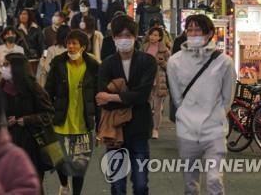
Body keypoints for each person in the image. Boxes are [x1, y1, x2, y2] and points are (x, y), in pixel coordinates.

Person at [167, 14, 235, 195]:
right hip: (187, 130)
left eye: (198, 30)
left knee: (214, 180)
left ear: (209, 33)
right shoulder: (174, 62)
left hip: (214, 130)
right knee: (190, 184)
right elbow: (176, 97)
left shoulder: (224, 62)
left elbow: (227, 98)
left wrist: (218, 115)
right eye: (190, 30)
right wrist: (185, 115)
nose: (193, 33)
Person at [97, 15, 157, 195]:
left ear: (135, 37)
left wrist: (113, 97)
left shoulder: (147, 61)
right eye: (120, 36)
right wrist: (126, 97)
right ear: (114, 38)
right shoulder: (107, 64)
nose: (124, 39)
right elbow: (100, 98)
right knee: (117, 184)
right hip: (114, 130)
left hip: (139, 127)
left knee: (140, 183)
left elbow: (143, 95)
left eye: (128, 35)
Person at [45, 30, 99, 195]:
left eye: (75, 43)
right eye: (69, 43)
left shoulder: (93, 67)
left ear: (83, 47)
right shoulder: (58, 64)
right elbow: (48, 91)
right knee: (57, 158)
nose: (71, 46)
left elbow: (97, 97)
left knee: (79, 165)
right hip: (59, 122)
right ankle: (63, 184)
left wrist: (100, 126)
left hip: (83, 124)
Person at [0, 53, 54, 189]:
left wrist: (27, 119)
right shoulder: (0, 88)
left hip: (32, 144)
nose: (3, 68)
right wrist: (4, 121)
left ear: (17, 68)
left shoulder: (33, 89)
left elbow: (48, 113)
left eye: (7, 65)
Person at [141, 26, 170, 139]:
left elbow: (170, 66)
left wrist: (162, 63)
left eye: (156, 35)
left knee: (158, 106)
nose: (153, 37)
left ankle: (155, 129)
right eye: (151, 34)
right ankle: (146, 127)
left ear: (160, 37)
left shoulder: (164, 50)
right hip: (146, 79)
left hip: (159, 80)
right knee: (145, 105)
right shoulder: (144, 47)